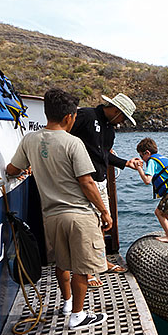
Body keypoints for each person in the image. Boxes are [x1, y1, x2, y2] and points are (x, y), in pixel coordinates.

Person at [5, 88, 110, 330]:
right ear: (69, 117)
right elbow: (87, 182)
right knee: (82, 268)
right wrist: (104, 211)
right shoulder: (73, 143)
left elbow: (12, 169)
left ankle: (67, 303)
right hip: (79, 215)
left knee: (62, 263)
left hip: (50, 216)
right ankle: (78, 315)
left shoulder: (29, 140)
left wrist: (25, 170)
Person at [69, 93, 140, 279]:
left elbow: (105, 156)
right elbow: (64, 138)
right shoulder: (86, 115)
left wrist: (126, 163)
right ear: (116, 110)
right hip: (80, 181)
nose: (122, 122)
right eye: (123, 117)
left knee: (103, 224)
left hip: (100, 182)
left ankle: (100, 261)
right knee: (86, 226)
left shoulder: (110, 130)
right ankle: (87, 269)